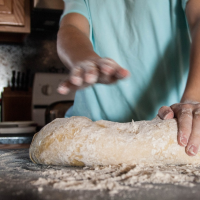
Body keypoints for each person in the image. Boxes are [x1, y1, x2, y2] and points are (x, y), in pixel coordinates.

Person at [57, 0, 200, 157]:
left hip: (169, 129)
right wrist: (85, 59)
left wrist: (192, 100)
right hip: (86, 136)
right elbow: (71, 27)